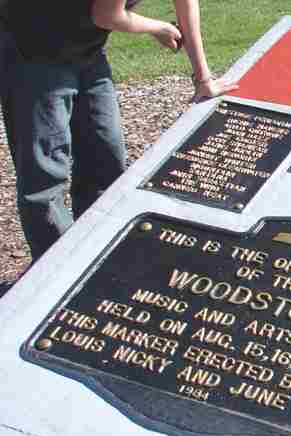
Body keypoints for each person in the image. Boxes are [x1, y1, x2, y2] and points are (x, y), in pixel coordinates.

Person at [0, 0, 237, 262]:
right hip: (32, 53)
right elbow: (106, 15)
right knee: (45, 176)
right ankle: (55, 273)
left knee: (106, 159)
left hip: (87, 51)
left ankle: (99, 260)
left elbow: (186, 3)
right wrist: (157, 27)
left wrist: (203, 79)